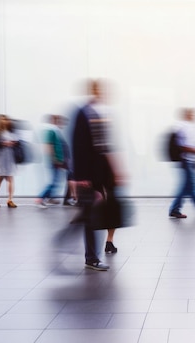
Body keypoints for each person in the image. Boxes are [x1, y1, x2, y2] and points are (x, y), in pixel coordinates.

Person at [58, 79, 123, 270]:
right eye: (100, 90)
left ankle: (88, 253)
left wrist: (115, 170)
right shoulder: (83, 114)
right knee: (88, 216)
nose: (103, 94)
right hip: (89, 176)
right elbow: (79, 147)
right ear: (94, 91)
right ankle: (90, 256)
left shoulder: (98, 114)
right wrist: (80, 177)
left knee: (89, 216)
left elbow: (103, 147)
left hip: (99, 175)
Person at [168, 108, 195, 219]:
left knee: (186, 188)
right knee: (192, 187)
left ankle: (174, 209)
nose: (194, 116)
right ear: (187, 115)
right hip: (186, 161)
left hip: (190, 160)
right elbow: (182, 146)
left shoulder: (188, 127)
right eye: (191, 114)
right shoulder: (182, 127)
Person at [36, 115, 68, 208]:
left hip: (57, 160)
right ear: (54, 121)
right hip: (54, 160)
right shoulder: (50, 130)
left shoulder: (55, 131)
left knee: (56, 181)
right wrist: (55, 160)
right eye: (59, 121)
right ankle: (40, 198)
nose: (61, 123)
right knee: (53, 182)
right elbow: (48, 146)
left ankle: (50, 198)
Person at [0, 114, 18, 208]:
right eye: (3, 119)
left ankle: (7, 199)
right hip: (1, 158)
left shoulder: (10, 131)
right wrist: (4, 143)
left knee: (8, 178)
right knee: (1, 178)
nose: (5, 121)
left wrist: (14, 143)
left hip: (9, 157)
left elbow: (17, 141)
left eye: (6, 119)